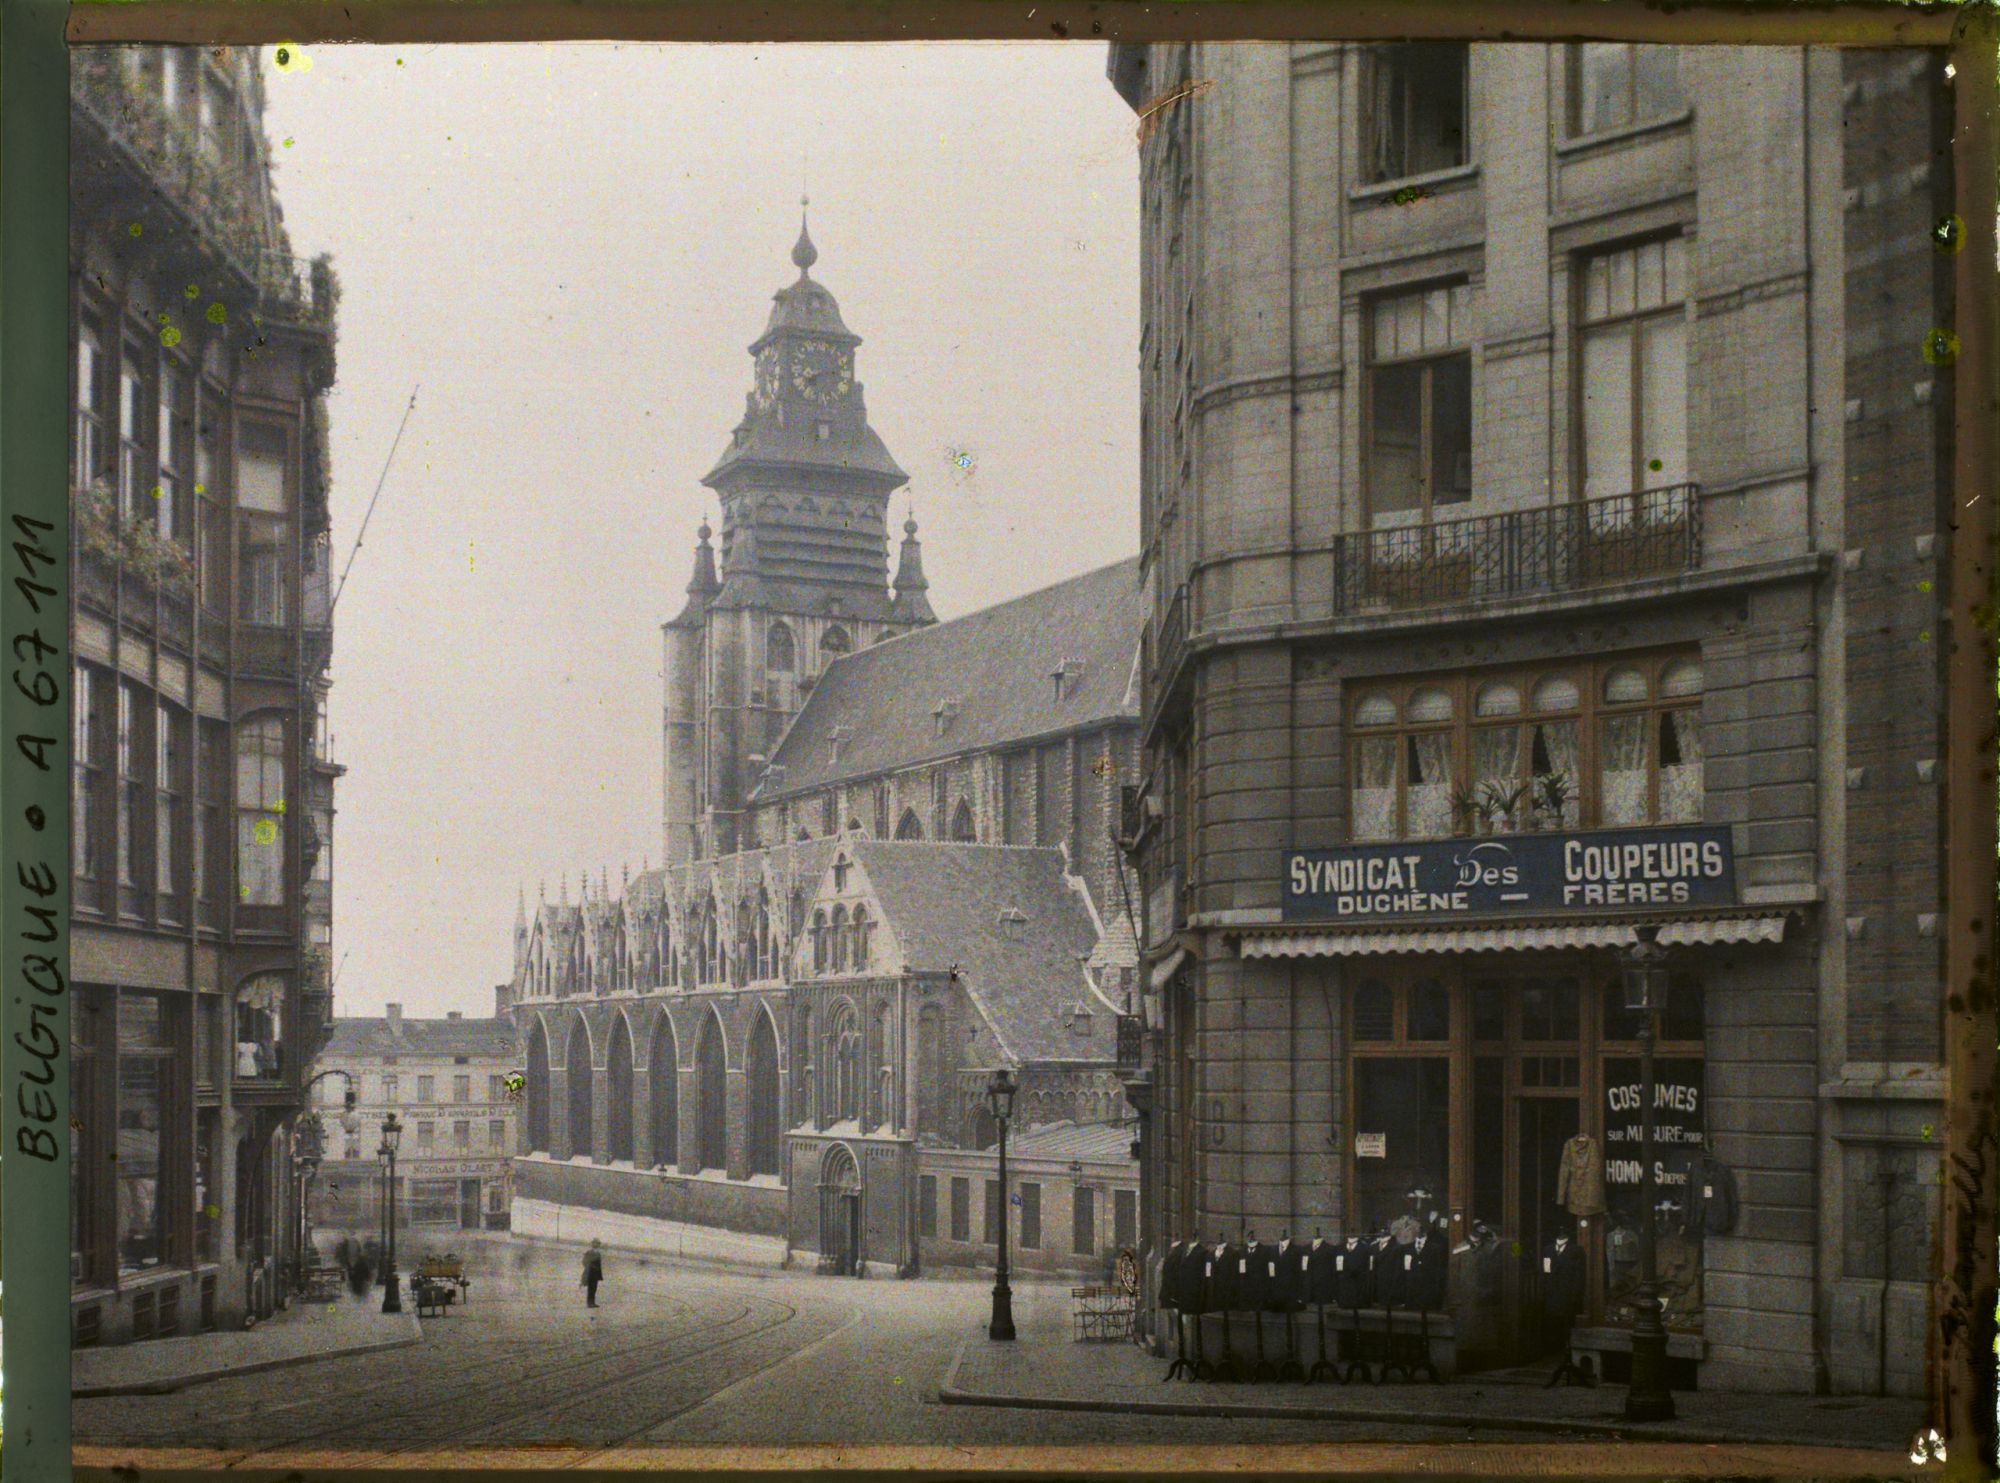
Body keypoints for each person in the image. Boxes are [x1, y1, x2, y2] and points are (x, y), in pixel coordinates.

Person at [581, 1239, 605, 1308]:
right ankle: (589, 1303)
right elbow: (584, 1262)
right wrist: (590, 1267)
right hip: (590, 1273)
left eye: (598, 1244)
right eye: (595, 1243)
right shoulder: (589, 1252)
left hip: (596, 1274)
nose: (597, 1245)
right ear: (592, 1244)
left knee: (594, 1288)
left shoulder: (598, 1253)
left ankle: (592, 1302)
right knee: (591, 1289)